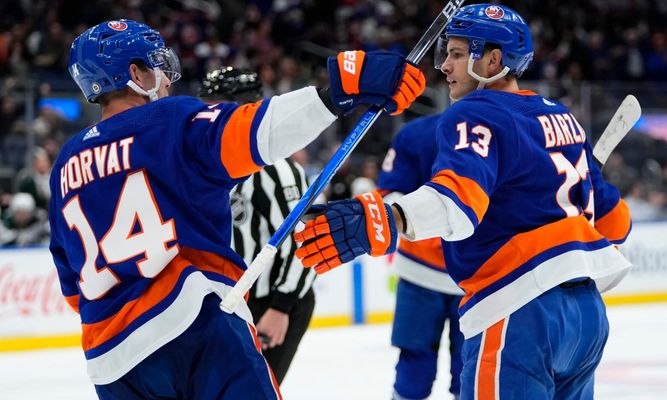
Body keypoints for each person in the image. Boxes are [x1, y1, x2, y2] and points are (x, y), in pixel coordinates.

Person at [48, 19, 424, 399]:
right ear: (134, 74)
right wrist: (336, 94)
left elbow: (71, 279)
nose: (166, 80)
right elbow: (257, 131)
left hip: (110, 359)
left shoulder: (65, 163)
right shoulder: (168, 120)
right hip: (194, 324)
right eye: (156, 67)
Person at [294, 4, 632, 399]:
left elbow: (458, 203)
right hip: (586, 316)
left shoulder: (476, 111)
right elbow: (616, 227)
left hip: (520, 308)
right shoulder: (562, 117)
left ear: (493, 60)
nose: (444, 67)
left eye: (456, 54)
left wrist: (384, 218)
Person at [200, 66, 317, 384]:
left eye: (214, 105)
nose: (206, 115)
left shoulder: (276, 169)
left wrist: (282, 307)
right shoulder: (210, 164)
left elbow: (305, 240)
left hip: (274, 304)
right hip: (232, 304)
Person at [378, 114, 463, 400]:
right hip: (424, 273)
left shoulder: (505, 128)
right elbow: (389, 194)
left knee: (473, 372)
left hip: (479, 279)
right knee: (415, 372)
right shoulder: (417, 134)